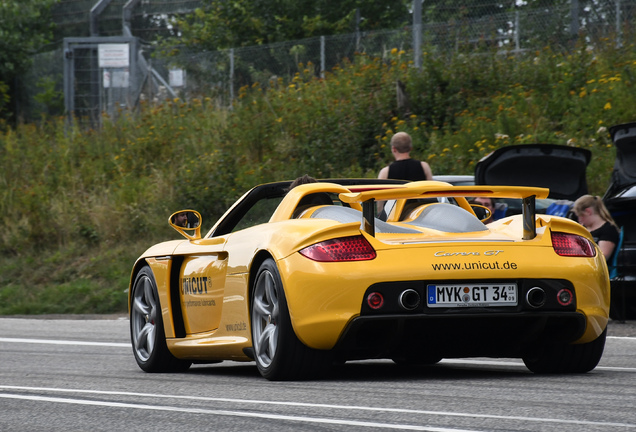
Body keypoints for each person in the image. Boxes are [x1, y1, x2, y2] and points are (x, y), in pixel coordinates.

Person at [572, 195, 620, 261]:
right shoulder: (585, 229)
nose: (579, 220)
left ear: (588, 212)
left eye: (580, 216)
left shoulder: (608, 229)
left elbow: (603, 257)